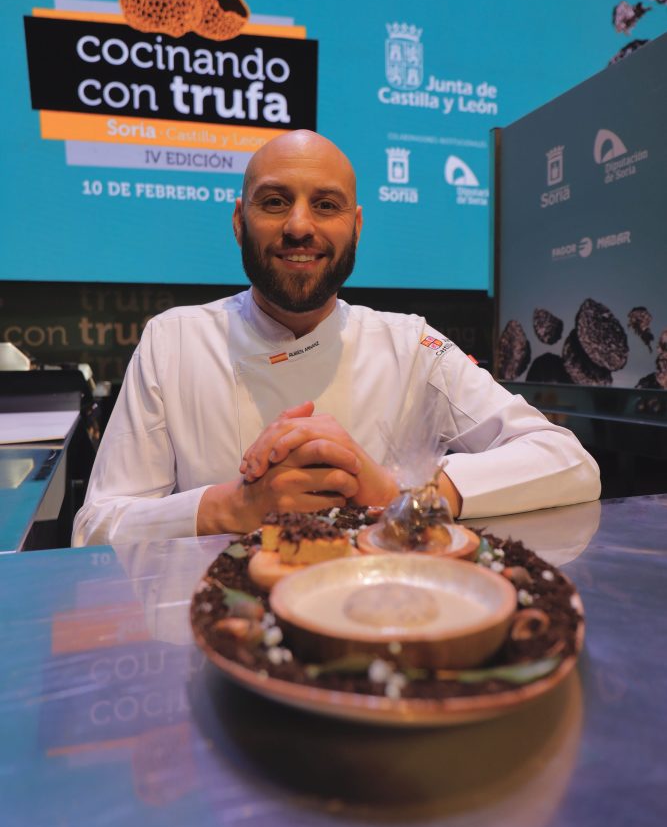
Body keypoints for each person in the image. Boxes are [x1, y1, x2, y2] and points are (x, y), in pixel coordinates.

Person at [72, 130, 600, 546]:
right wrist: (235, 507)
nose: (300, 226)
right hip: (214, 638)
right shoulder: (173, 343)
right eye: (275, 202)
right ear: (239, 221)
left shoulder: (411, 346)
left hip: (381, 618)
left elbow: (567, 461)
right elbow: (94, 527)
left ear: (357, 225)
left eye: (326, 205)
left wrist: (403, 495)